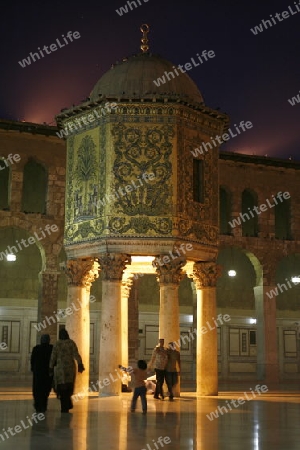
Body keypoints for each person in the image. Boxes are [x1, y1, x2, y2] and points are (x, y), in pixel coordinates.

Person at [49, 328, 85, 413]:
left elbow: (53, 357)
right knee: (69, 386)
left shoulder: (57, 344)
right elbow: (76, 354)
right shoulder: (71, 343)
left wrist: (50, 367)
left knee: (62, 387)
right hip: (70, 368)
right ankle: (67, 403)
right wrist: (80, 364)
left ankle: (64, 406)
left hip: (60, 369)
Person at [31, 334, 53, 413]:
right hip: (47, 373)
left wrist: (33, 369)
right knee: (45, 390)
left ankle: (38, 405)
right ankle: (43, 405)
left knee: (37, 389)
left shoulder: (36, 348)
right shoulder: (51, 348)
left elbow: (32, 360)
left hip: (38, 372)